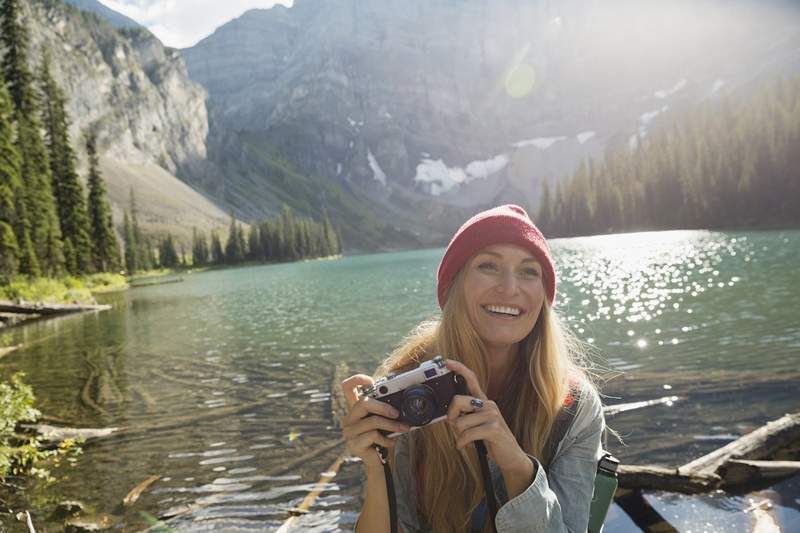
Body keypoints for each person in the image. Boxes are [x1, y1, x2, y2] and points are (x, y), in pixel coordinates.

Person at [341, 204, 604, 533]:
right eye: (489, 265)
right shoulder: (408, 392)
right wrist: (377, 470)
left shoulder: (573, 403)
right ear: (456, 285)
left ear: (544, 297)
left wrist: (515, 465)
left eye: (529, 271)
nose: (510, 287)